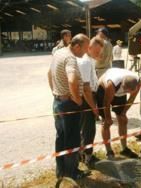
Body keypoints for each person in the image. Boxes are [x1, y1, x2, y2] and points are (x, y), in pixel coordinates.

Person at [48, 33, 90, 180]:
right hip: (69, 105)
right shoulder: (70, 59)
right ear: (77, 46)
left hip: (58, 102)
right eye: (85, 49)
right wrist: (78, 100)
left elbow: (49, 73)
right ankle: (72, 172)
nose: (86, 52)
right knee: (72, 140)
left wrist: (56, 92)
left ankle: (61, 170)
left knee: (60, 137)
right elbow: (72, 80)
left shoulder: (58, 52)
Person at [96, 68, 140, 159]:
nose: (127, 93)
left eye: (128, 92)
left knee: (123, 120)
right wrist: (108, 117)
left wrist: (123, 112)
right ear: (123, 86)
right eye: (125, 91)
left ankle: (124, 149)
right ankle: (109, 151)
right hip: (103, 91)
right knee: (106, 123)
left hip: (118, 92)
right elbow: (106, 103)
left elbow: (131, 99)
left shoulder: (138, 83)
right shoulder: (111, 84)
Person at [77, 36, 104, 168]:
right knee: (89, 130)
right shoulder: (85, 62)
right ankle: (87, 157)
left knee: (85, 129)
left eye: (100, 52)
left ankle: (83, 154)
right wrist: (94, 107)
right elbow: (85, 89)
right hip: (87, 99)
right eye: (97, 51)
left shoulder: (90, 61)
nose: (98, 54)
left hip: (89, 97)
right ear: (89, 48)